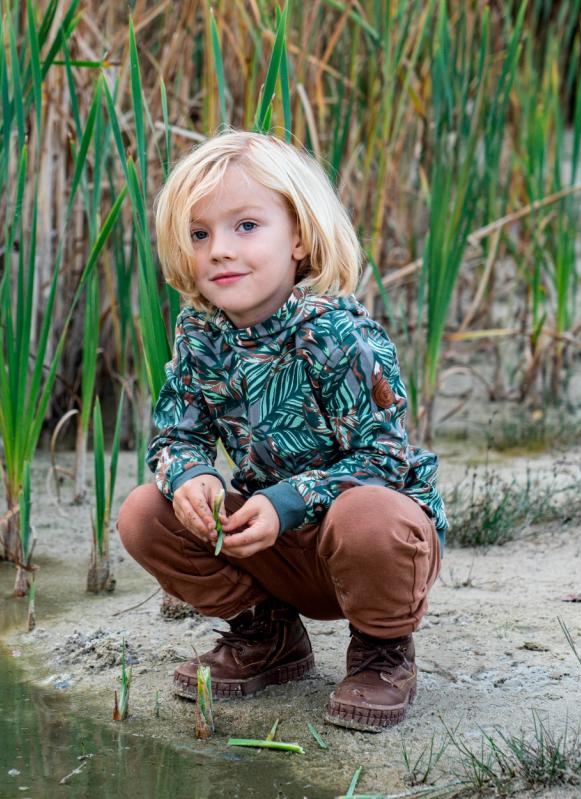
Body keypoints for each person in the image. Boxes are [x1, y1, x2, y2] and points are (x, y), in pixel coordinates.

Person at [116, 130, 447, 732]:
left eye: (246, 226)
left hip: (363, 539)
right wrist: (192, 478)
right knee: (144, 512)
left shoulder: (336, 334)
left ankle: (381, 650)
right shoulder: (202, 336)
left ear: (299, 236)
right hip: (271, 545)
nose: (219, 249)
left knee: (371, 515)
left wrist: (286, 500)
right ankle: (267, 636)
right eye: (200, 233)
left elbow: (386, 460)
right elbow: (174, 436)